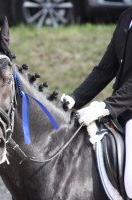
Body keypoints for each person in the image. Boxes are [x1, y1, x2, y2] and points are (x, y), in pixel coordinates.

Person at [61, 8, 132, 198]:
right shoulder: (127, 16)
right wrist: (76, 98)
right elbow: (106, 68)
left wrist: (106, 107)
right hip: (121, 110)